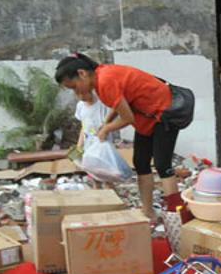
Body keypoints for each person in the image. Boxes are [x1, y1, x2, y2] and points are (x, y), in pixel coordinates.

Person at [55, 53, 183, 221]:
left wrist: (106, 129)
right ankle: (148, 212)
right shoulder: (102, 76)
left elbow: (127, 118)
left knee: (162, 165)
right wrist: (106, 123)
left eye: (74, 86)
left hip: (163, 113)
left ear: (82, 73)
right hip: (146, 116)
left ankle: (176, 215)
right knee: (141, 162)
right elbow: (119, 104)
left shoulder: (104, 80)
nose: (76, 92)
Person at [73, 88, 113, 189]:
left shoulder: (102, 105)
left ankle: (111, 202)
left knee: (107, 179)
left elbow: (108, 125)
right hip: (89, 146)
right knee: (94, 178)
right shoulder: (80, 106)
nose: (81, 97)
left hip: (103, 146)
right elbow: (84, 127)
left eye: (83, 93)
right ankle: (97, 200)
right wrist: (79, 147)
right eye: (78, 94)